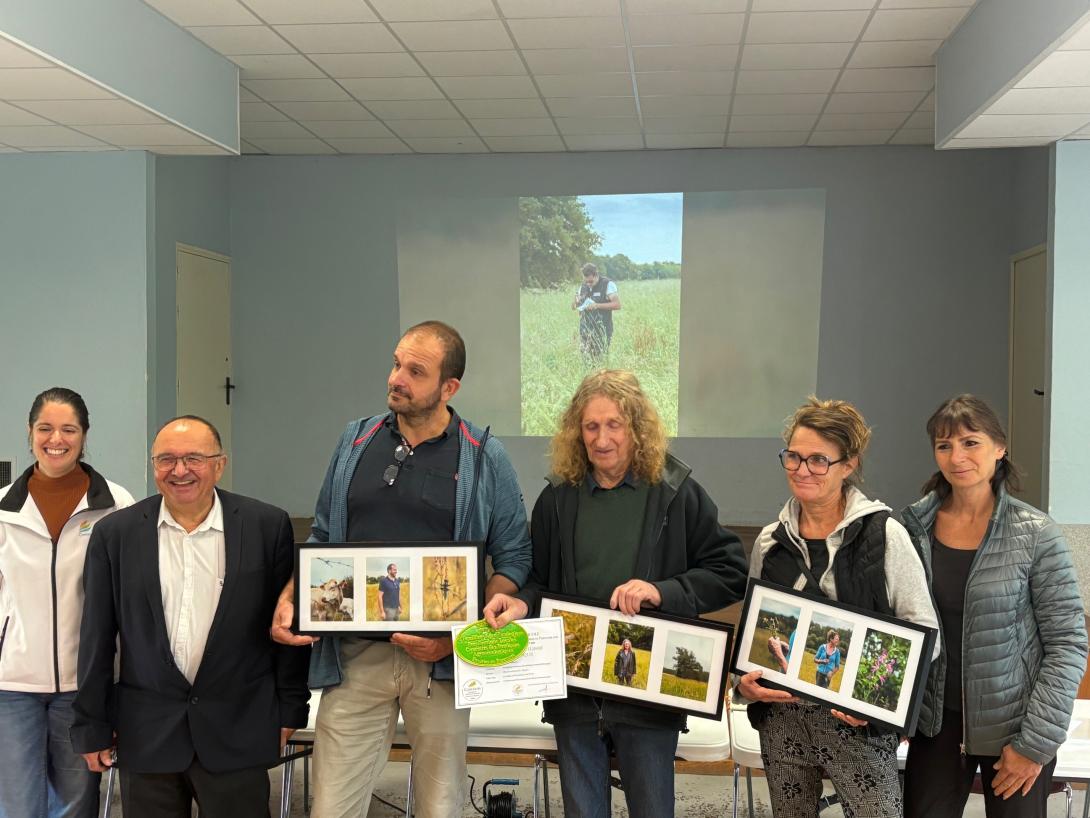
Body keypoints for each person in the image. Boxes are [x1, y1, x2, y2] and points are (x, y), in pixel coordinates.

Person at [269, 321, 532, 818]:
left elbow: (514, 557)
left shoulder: (483, 456)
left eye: (416, 371)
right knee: (330, 807)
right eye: (396, 364)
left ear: (449, 387)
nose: (397, 378)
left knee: (439, 805)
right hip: (354, 658)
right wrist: (291, 596)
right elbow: (325, 536)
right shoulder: (355, 440)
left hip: (438, 664)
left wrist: (459, 636)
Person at [484, 369, 747, 818]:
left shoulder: (674, 494)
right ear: (576, 432)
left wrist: (663, 591)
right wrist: (522, 601)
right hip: (574, 695)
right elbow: (542, 583)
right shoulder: (557, 500)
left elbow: (730, 570)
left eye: (614, 425)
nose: (602, 438)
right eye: (591, 426)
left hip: (647, 699)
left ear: (637, 429)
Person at [71, 416, 311, 818]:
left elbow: (285, 630)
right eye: (167, 459)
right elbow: (96, 637)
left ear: (220, 464)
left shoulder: (266, 527)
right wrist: (91, 723)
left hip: (238, 728)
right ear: (153, 466)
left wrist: (291, 709)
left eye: (194, 458)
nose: (179, 471)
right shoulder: (115, 534)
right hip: (147, 734)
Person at [739, 397, 939, 818]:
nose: (801, 469)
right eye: (793, 456)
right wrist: (746, 684)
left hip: (858, 727)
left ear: (848, 465)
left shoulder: (886, 535)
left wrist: (867, 700)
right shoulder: (769, 542)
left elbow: (925, 637)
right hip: (783, 721)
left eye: (817, 460)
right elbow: (753, 633)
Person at [901, 395, 1087, 818]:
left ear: (999, 448)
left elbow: (1068, 645)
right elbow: (897, 626)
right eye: (944, 445)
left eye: (971, 442)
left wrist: (1035, 744)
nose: (957, 456)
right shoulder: (910, 528)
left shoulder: (1037, 534)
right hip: (936, 727)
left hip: (1016, 731)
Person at [0, 387, 134, 818]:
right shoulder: (3, 508)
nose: (55, 439)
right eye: (45, 428)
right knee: (17, 804)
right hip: (12, 684)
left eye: (68, 429)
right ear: (30, 432)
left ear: (84, 434)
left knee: (76, 804)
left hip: (85, 685)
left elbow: (128, 595)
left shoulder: (114, 505)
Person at [571, 262, 620, 364]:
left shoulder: (607, 284)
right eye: (586, 281)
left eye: (591, 281)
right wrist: (575, 301)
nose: (588, 284)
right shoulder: (583, 286)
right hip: (585, 330)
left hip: (602, 330)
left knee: (599, 361)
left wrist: (597, 305)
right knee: (586, 361)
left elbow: (617, 305)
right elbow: (573, 307)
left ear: (596, 275)